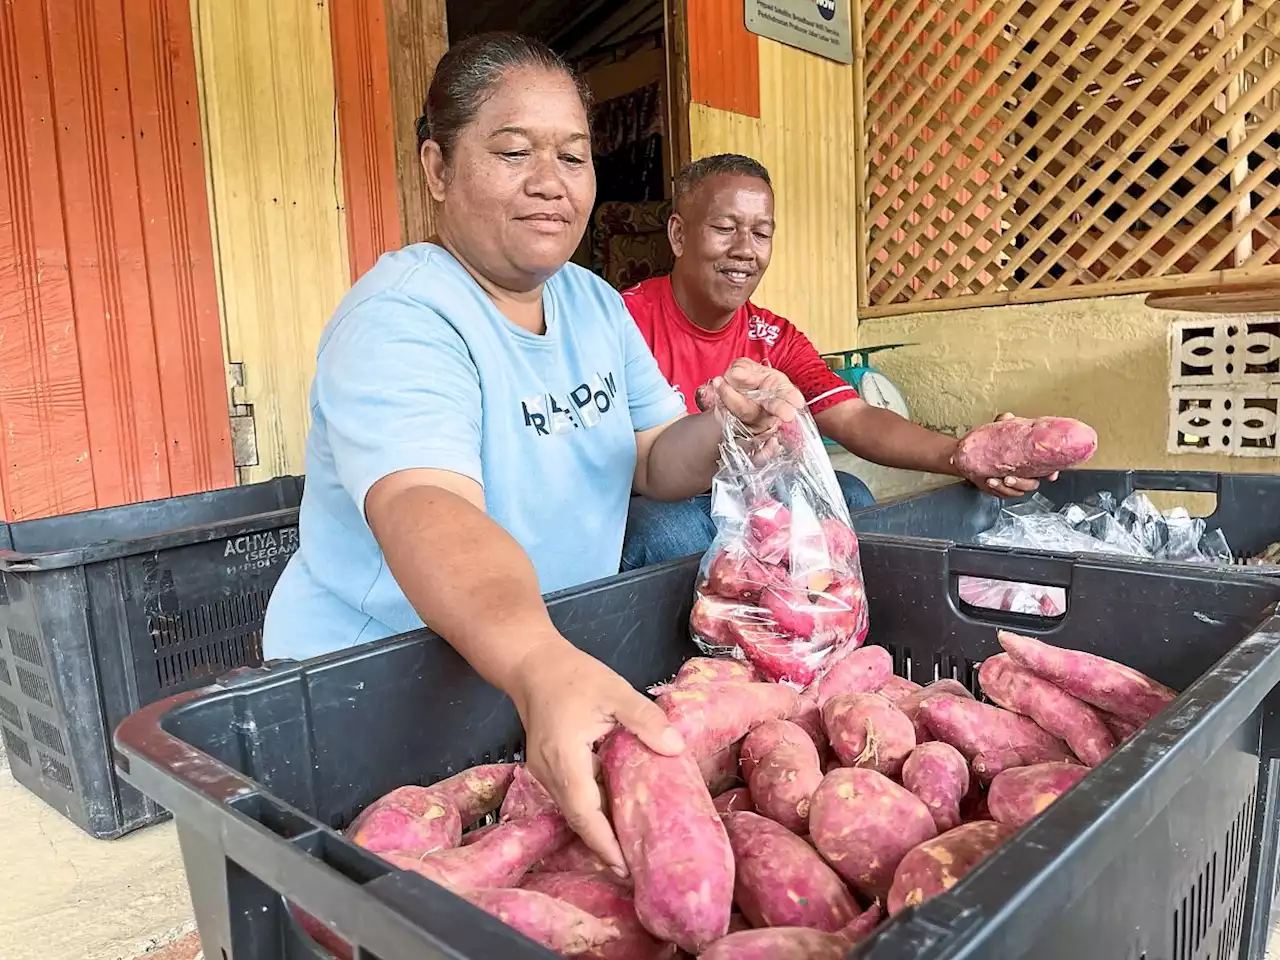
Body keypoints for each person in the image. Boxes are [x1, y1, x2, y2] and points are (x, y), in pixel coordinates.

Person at [260, 34, 804, 877]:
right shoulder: (403, 316)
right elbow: (424, 506)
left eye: (573, 156)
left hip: (524, 669)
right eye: (512, 151)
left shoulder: (591, 304)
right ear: (438, 169)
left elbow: (654, 458)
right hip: (374, 691)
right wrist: (542, 663)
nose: (550, 182)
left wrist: (735, 424)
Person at [619, 154, 1050, 570]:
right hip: (666, 506)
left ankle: (822, 632)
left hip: (755, 498)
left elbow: (856, 417)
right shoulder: (622, 322)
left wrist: (962, 455)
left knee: (851, 498)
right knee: (668, 534)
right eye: (724, 228)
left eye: (761, 233)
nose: (745, 250)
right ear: (678, 235)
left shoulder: (775, 336)